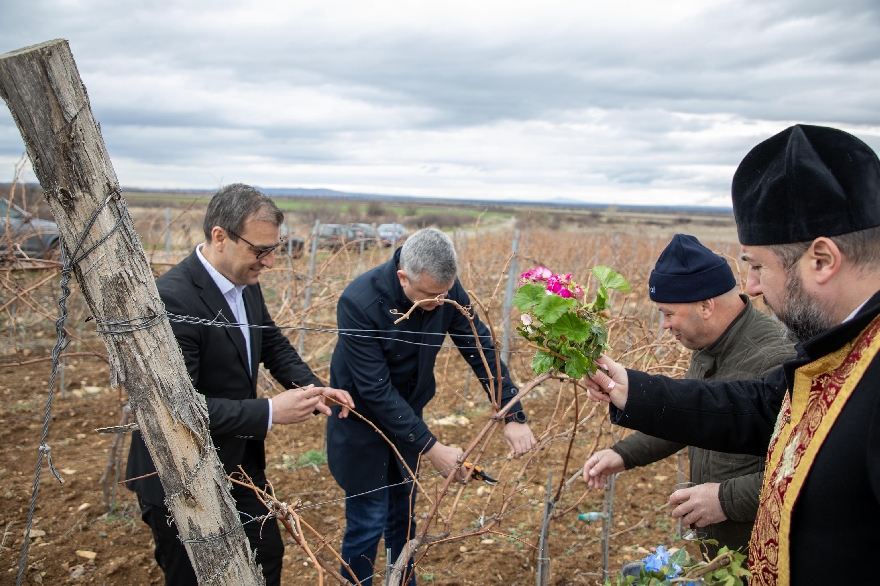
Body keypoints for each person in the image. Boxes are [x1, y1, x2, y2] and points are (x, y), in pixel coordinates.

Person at [583, 125, 880, 586]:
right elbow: (756, 406)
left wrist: (726, 498)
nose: (754, 286)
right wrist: (629, 390)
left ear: (822, 260)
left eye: (759, 266)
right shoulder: (843, 349)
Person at [125, 184, 354, 586]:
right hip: (178, 474)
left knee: (265, 557)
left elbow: (272, 342)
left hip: (236, 463)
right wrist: (270, 412)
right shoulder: (173, 300)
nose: (268, 262)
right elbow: (175, 409)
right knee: (196, 577)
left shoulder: (245, 281)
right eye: (259, 250)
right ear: (219, 237)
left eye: (273, 249)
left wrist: (313, 386)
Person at [327, 228, 538, 585]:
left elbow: (479, 347)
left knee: (403, 519)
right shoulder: (358, 302)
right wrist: (432, 448)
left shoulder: (443, 291)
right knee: (367, 522)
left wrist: (512, 413)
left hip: (409, 413)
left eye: (445, 294)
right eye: (429, 296)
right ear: (402, 277)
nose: (440, 304)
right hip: (361, 422)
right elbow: (375, 391)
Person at [583, 234, 795, 559]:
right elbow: (694, 419)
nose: (665, 325)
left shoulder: (773, 360)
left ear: (706, 306)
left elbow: (802, 470)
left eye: (668, 314)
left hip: (762, 554)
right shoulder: (708, 345)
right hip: (722, 553)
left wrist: (726, 499)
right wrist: (624, 454)